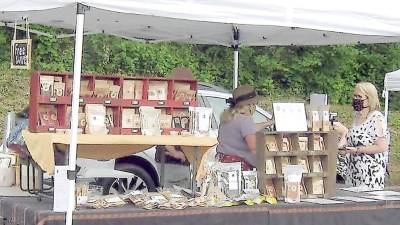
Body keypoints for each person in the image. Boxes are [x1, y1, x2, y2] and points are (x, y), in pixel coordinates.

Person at [334, 82, 388, 189]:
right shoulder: (356, 117)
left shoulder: (376, 118)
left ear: (369, 99)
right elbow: (353, 140)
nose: (356, 99)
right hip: (353, 172)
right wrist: (344, 148)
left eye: (359, 97)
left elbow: (382, 146)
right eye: (355, 96)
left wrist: (357, 150)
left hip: (370, 174)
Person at [216, 84, 269, 171]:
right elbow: (254, 148)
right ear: (250, 105)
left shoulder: (228, 117)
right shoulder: (245, 120)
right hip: (239, 168)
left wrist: (269, 123)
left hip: (222, 163)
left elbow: (249, 128)